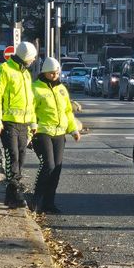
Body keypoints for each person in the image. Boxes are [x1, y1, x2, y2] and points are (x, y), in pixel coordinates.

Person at [0, 42, 37, 208]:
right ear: (26, 57)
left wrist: (32, 123)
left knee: (21, 157)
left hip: (23, 124)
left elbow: (30, 102)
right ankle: (16, 193)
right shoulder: (3, 70)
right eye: (32, 57)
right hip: (8, 122)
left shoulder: (26, 74)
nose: (34, 60)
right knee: (12, 156)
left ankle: (10, 197)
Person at [31, 57, 80, 214]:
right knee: (48, 165)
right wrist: (32, 127)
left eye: (57, 73)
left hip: (59, 133)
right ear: (45, 72)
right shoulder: (36, 88)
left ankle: (49, 203)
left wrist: (73, 130)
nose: (55, 76)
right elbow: (30, 111)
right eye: (52, 73)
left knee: (56, 168)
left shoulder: (61, 89)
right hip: (42, 131)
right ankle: (36, 201)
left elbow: (67, 111)